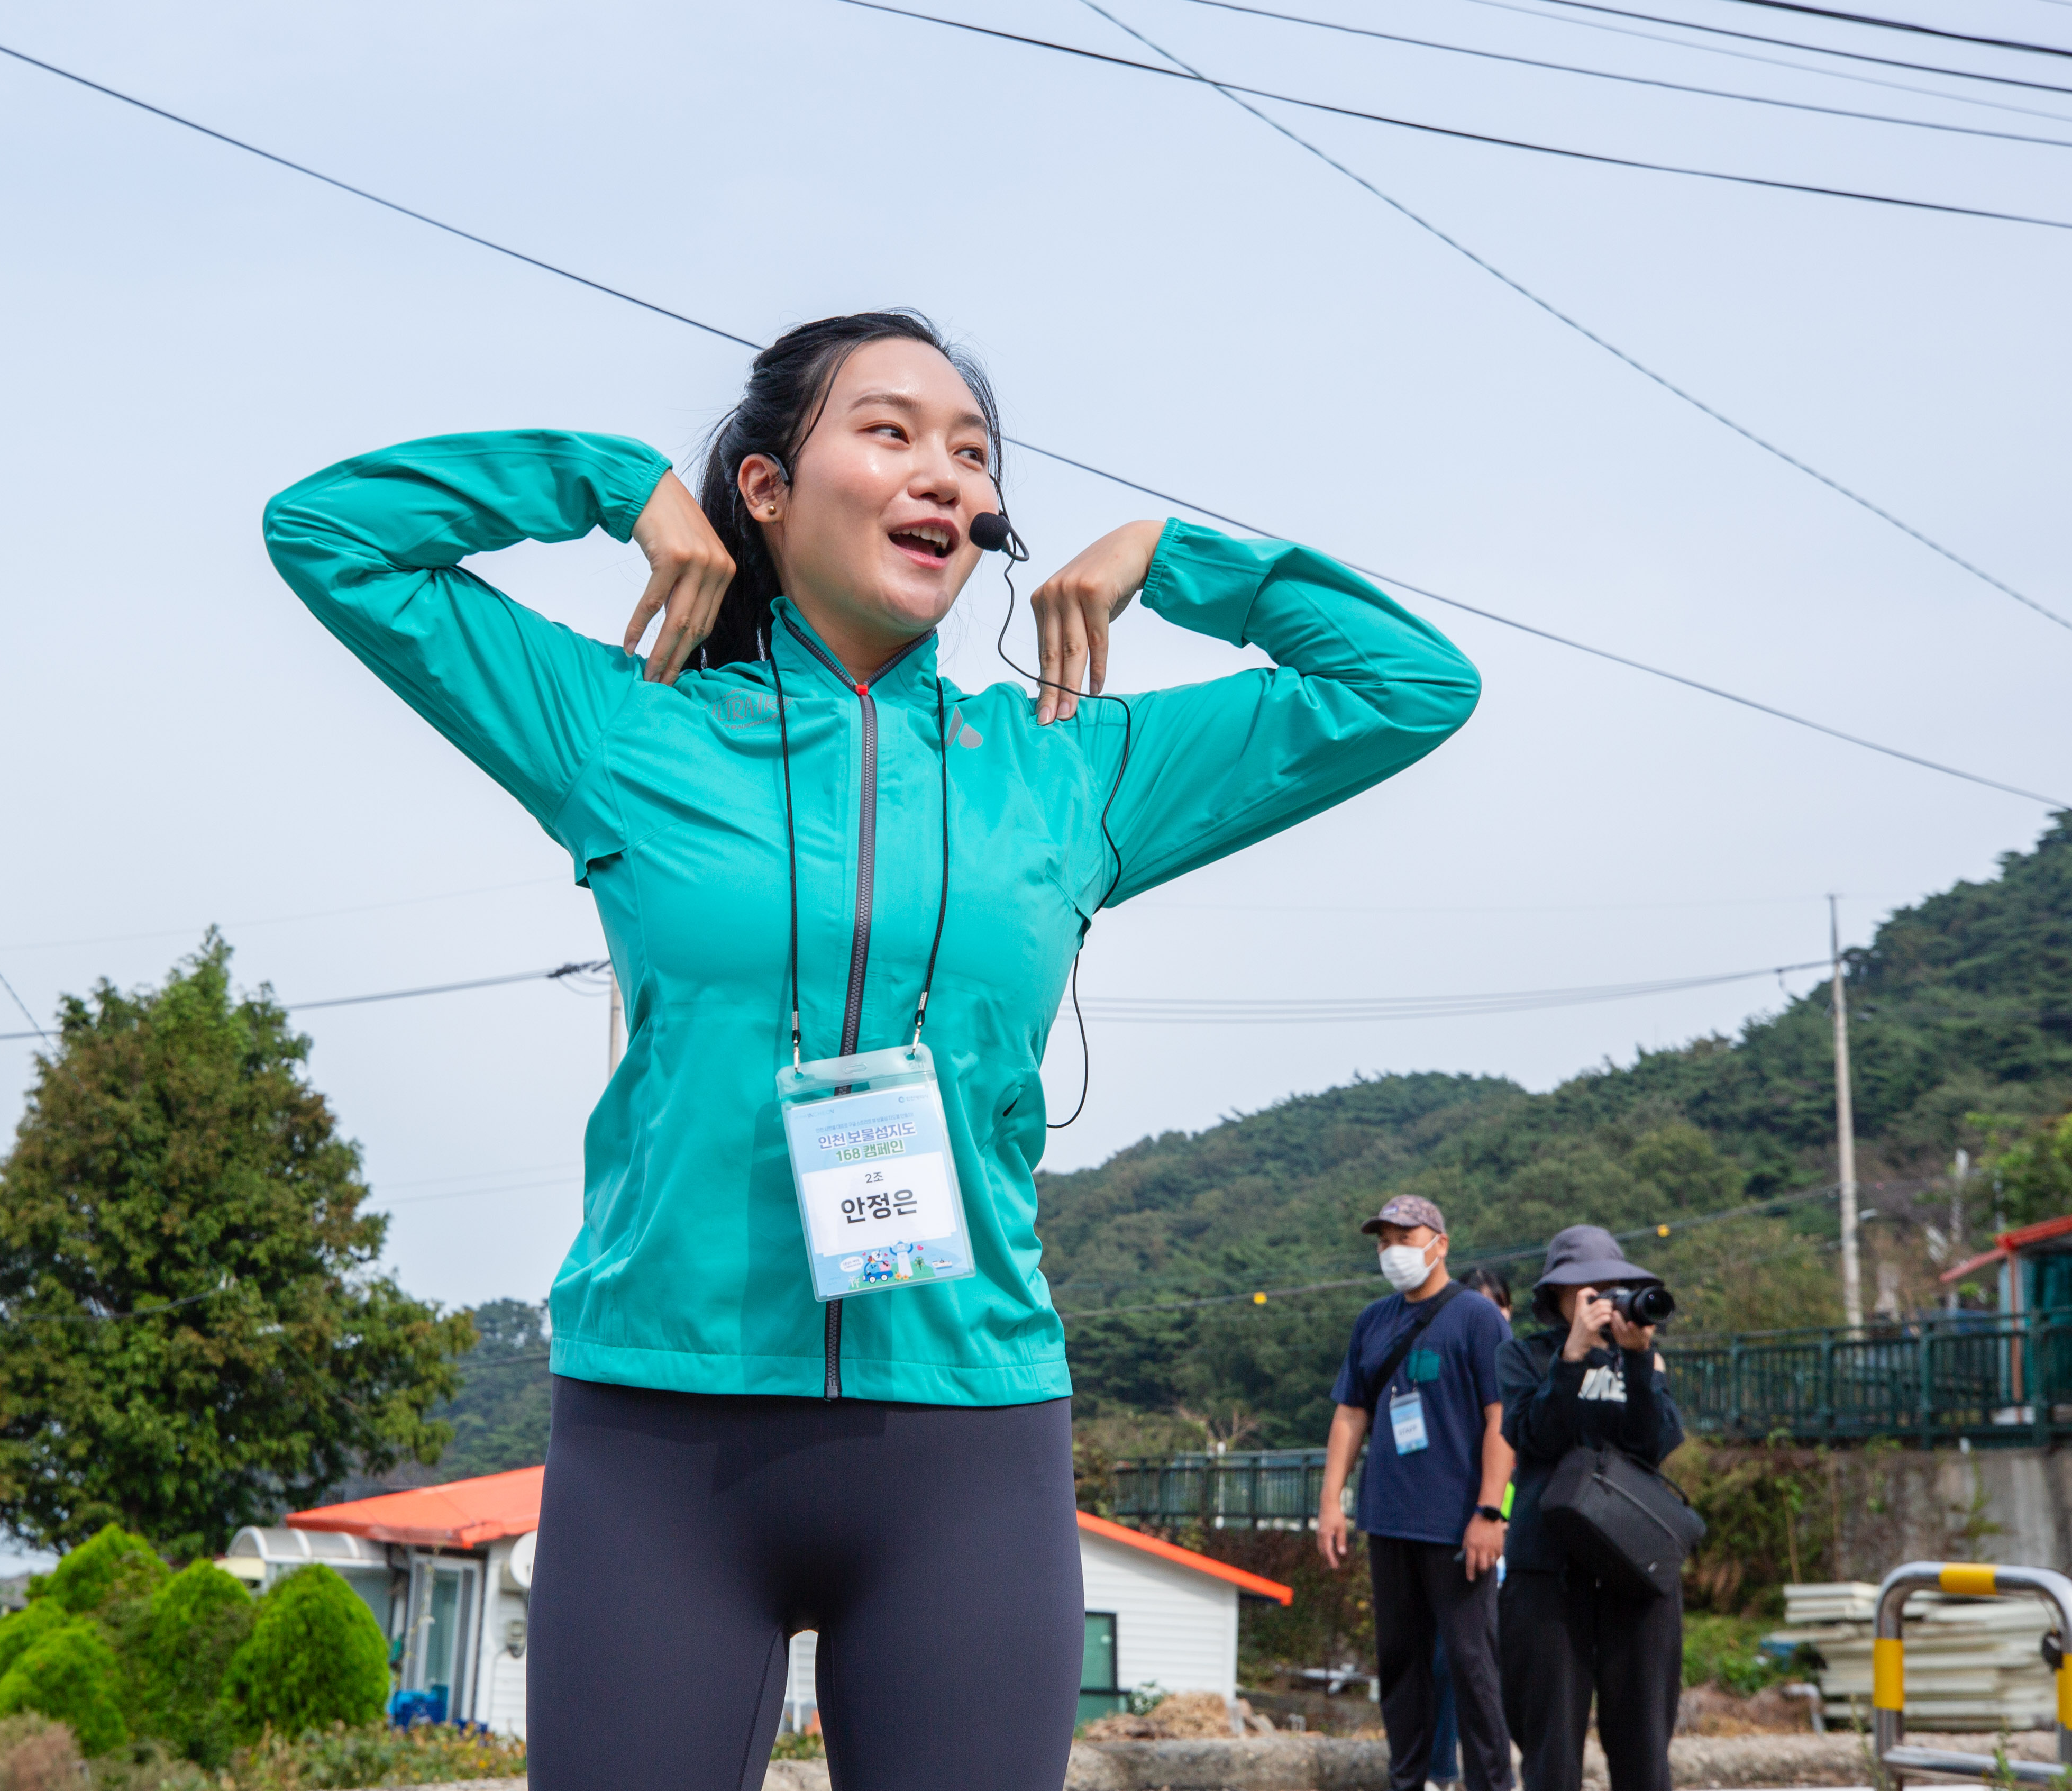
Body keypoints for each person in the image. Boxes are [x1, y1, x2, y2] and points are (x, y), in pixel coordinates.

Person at [265, 311, 1481, 1791]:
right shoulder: (623, 728)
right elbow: (329, 537)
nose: (944, 478)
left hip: (962, 1446)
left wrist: (1174, 557)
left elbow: (1406, 687)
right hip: (661, 1436)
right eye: (890, 430)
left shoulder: (1064, 766)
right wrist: (596, 479)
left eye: (970, 455)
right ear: (767, 490)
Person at [1317, 1197, 1515, 1791]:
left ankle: (1490, 1784)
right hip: (1388, 1518)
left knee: (1470, 1664)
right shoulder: (1372, 1321)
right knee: (1400, 1665)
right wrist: (1332, 1501)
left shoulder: (1480, 1320)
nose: (1393, 1249)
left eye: (1406, 1236)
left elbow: (1501, 1418)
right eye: (1383, 1240)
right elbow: (1350, 1413)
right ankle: (1409, 1781)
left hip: (1456, 1525)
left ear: (1440, 1243)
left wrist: (1488, 1511)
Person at [1495, 1226, 1687, 1791]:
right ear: (1556, 1295)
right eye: (1586, 1287)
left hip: (1635, 1565)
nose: (1603, 1296)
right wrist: (1572, 1356)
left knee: (1645, 1745)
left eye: (1612, 1285)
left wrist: (1636, 1360)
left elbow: (1653, 1445)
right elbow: (1535, 1437)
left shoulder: (1642, 1360)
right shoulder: (1523, 1357)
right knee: (1549, 1745)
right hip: (1548, 1571)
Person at [1426, 1262, 1518, 1788]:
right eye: (1481, 1305)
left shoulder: (1523, 1374)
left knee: (1495, 1667)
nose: (1492, 1316)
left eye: (1499, 1305)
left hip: (1510, 1542)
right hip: (1463, 1538)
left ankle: (1492, 1771)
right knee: (1448, 1661)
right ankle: (1439, 1770)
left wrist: (1500, 1512)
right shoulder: (1453, 1377)